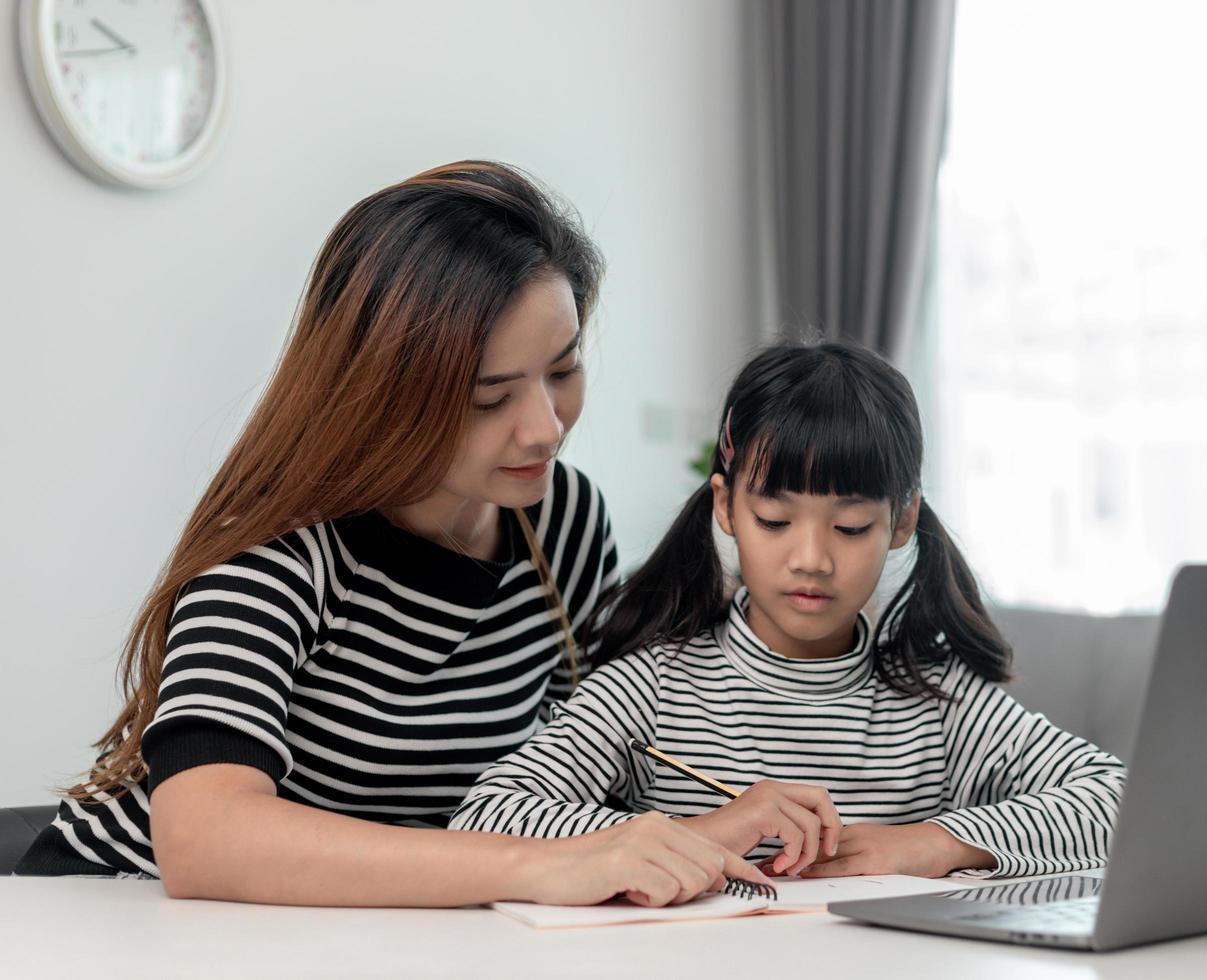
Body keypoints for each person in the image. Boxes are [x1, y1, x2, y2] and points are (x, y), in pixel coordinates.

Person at [16, 161, 767, 909]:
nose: (545, 428)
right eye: (489, 397)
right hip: (113, 918)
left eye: (563, 369)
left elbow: (578, 763)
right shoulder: (276, 552)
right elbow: (202, 839)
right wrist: (543, 866)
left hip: (364, 930)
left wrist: (701, 829)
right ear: (384, 392)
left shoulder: (562, 521)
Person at [450, 341, 1126, 879]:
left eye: (851, 527)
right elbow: (485, 821)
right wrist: (696, 835)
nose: (812, 559)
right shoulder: (652, 690)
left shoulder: (940, 704)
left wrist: (934, 842)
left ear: (902, 521)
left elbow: (1122, 800)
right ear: (725, 507)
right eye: (775, 520)